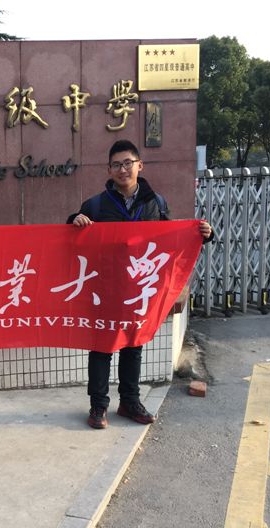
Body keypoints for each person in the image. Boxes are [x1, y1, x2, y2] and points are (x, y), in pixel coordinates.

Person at [68, 140, 213, 430]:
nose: (123, 169)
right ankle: (98, 406)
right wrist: (75, 219)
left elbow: (172, 238)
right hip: (105, 288)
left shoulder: (155, 203)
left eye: (128, 163)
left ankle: (129, 402)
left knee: (133, 345)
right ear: (109, 170)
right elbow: (72, 237)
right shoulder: (95, 205)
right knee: (101, 346)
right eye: (116, 165)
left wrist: (203, 235)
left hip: (139, 288)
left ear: (139, 165)